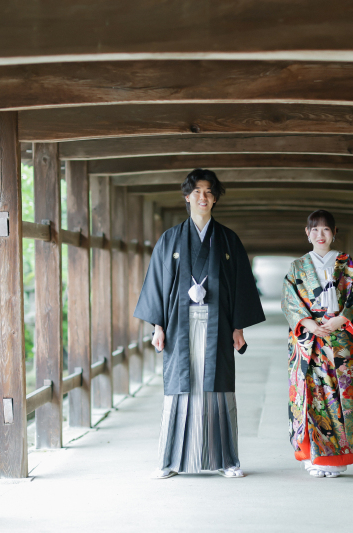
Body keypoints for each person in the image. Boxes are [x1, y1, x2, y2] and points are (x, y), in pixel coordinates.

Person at [134, 169, 265, 479]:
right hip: (180, 324)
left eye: (208, 192)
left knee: (216, 390)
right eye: (197, 192)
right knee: (181, 389)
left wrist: (238, 327)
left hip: (217, 325)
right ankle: (170, 461)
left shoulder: (228, 240)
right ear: (187, 197)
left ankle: (226, 460)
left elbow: (240, 285)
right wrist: (158, 326)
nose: (202, 197)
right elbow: (157, 283)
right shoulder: (170, 239)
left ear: (214, 198)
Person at [281, 209, 353, 478]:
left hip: (339, 339)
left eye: (325, 229)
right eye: (314, 229)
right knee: (311, 396)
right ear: (307, 233)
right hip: (309, 340)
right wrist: (310, 324)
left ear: (334, 233)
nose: (320, 234)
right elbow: (290, 301)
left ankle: (336, 458)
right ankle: (312, 454)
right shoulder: (298, 267)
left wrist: (340, 320)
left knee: (337, 397)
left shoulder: (347, 264)